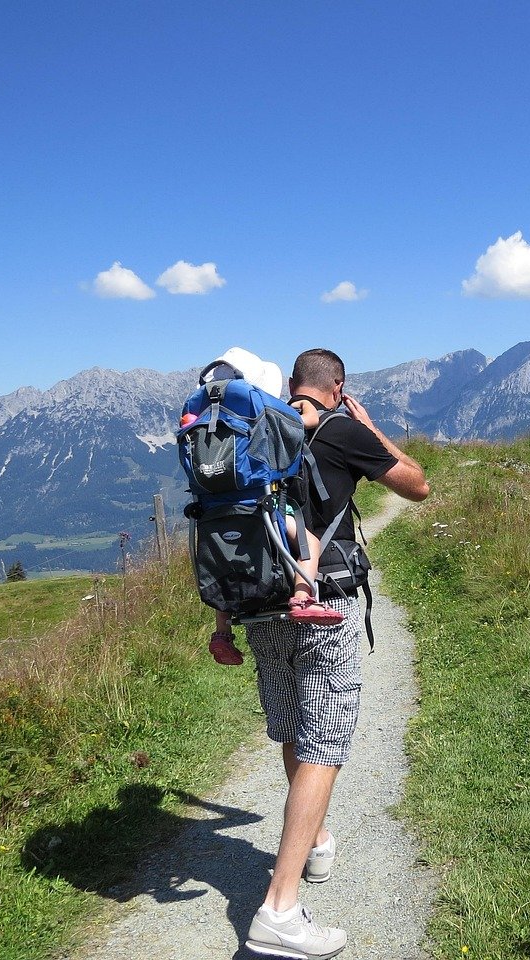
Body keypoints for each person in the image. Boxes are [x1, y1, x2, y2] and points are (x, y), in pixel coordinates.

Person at [242, 348, 429, 960]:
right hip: (325, 606)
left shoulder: (257, 428)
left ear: (292, 384)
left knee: (294, 728)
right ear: (338, 387)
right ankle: (279, 909)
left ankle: (316, 840)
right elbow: (417, 485)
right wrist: (370, 426)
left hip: (263, 604)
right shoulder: (344, 429)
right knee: (325, 746)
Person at [191, 348, 343, 668]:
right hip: (261, 505)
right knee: (310, 544)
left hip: (213, 511)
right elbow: (309, 421)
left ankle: (222, 634)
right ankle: (302, 597)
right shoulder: (263, 411)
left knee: (221, 561)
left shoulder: (200, 413)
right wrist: (302, 409)